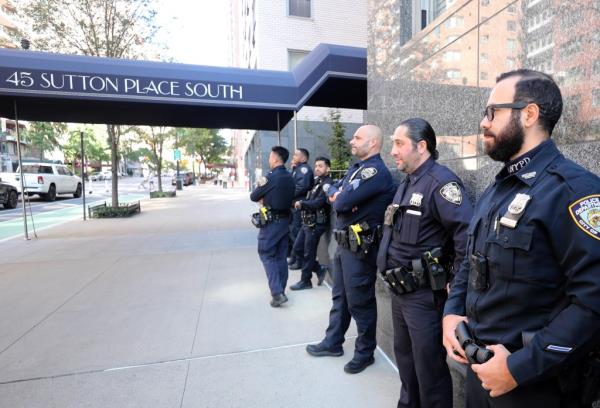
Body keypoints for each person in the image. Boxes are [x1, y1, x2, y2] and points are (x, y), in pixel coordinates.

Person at [442, 69, 600, 407]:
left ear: (528, 114)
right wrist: (452, 314)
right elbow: (471, 264)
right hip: (480, 371)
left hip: (534, 385)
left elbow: (593, 303)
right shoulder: (496, 189)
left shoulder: (574, 191)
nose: (484, 122)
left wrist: (518, 367)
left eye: (492, 112)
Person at [377, 118, 473, 408]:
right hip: (400, 291)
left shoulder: (441, 183)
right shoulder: (408, 182)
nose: (392, 150)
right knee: (406, 361)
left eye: (399, 143)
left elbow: (466, 237)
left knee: (429, 369)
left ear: (422, 146)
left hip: (424, 297)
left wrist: (455, 286)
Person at [306, 124, 396, 374]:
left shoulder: (374, 172)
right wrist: (337, 194)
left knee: (360, 302)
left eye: (358, 138)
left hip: (360, 249)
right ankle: (333, 342)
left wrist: (337, 194)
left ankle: (365, 352)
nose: (351, 142)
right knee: (340, 298)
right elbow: (336, 199)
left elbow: (341, 200)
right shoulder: (357, 169)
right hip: (344, 246)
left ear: (373, 143)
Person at [250, 146, 295, 307]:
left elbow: (254, 195)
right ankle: (281, 289)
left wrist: (264, 198)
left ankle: (277, 293)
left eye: (270, 157)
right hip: (285, 221)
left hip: (271, 223)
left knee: (267, 254)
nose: (269, 159)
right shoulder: (290, 177)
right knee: (281, 256)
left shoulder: (271, 177)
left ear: (276, 159)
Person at [289, 156, 334, 290]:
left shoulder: (328, 184)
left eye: (320, 166)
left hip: (316, 223)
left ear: (328, 168)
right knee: (297, 248)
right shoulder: (317, 181)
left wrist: (302, 204)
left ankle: (305, 281)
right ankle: (319, 268)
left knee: (309, 252)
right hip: (308, 221)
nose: (317, 168)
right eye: (316, 166)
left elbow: (318, 203)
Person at [288, 148, 314, 268]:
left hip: (300, 205)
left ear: (303, 157)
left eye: (296, 155)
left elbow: (301, 187)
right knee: (294, 231)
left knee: (297, 232)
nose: (293, 156)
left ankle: (299, 261)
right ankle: (294, 257)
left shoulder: (304, 169)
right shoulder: (297, 168)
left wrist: (287, 196)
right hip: (295, 204)